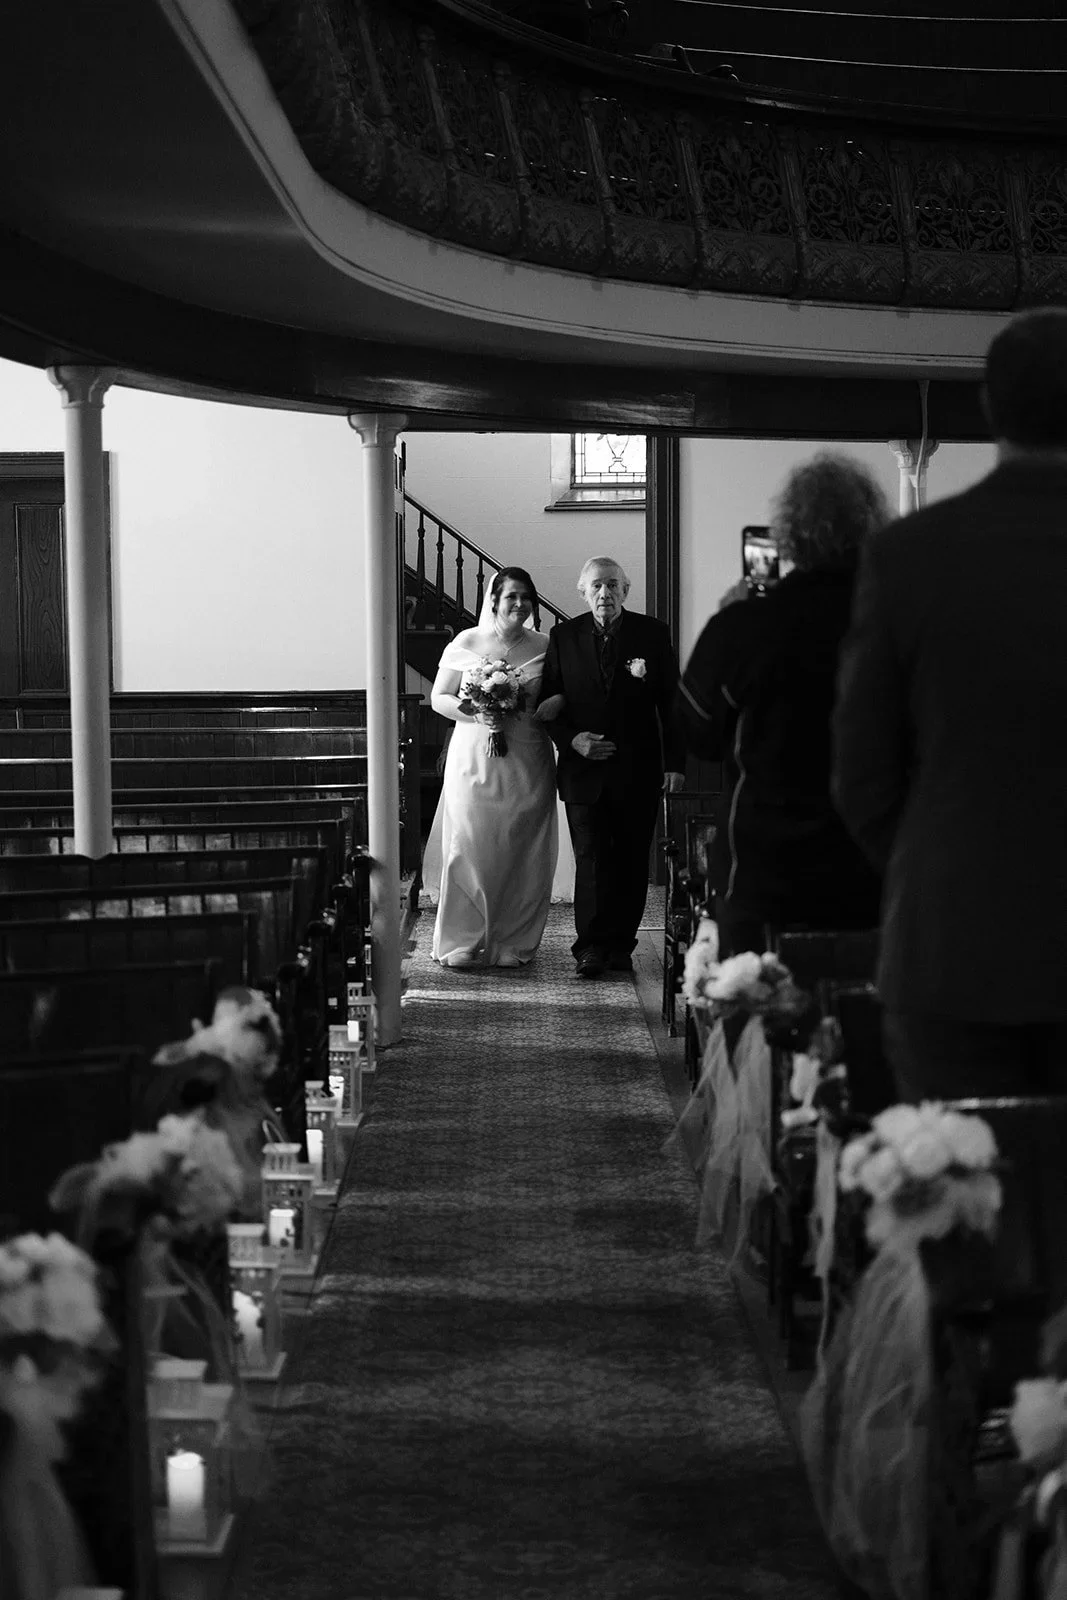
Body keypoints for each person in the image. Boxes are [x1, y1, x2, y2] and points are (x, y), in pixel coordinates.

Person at [833, 307, 1067, 1101]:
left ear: (991, 410)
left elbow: (860, 775)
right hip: (956, 929)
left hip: (953, 940)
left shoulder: (911, 554)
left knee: (958, 1207)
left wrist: (935, 865)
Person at [676, 455, 886, 957]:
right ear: (872, 525)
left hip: (769, 863)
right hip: (873, 859)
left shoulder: (748, 624)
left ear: (789, 535)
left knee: (757, 1014)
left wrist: (727, 621)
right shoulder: (897, 616)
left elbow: (697, 731)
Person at [541, 556, 685, 979]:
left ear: (626, 590)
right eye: (596, 586)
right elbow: (550, 705)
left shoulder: (652, 634)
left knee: (630, 861)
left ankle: (621, 944)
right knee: (590, 859)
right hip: (583, 771)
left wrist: (675, 764)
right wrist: (573, 740)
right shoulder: (563, 636)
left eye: (613, 585)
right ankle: (590, 947)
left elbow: (671, 704)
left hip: (637, 769)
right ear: (583, 592)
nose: (605, 593)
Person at [428, 566, 561, 968]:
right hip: (474, 759)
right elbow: (439, 697)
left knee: (522, 848)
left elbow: (560, 694)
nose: (520, 604)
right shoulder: (467, 641)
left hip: (527, 759)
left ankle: (513, 941)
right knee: (469, 845)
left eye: (527, 597)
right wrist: (474, 714)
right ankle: (463, 940)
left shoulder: (546, 645)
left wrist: (557, 704)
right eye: (511, 597)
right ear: (494, 601)